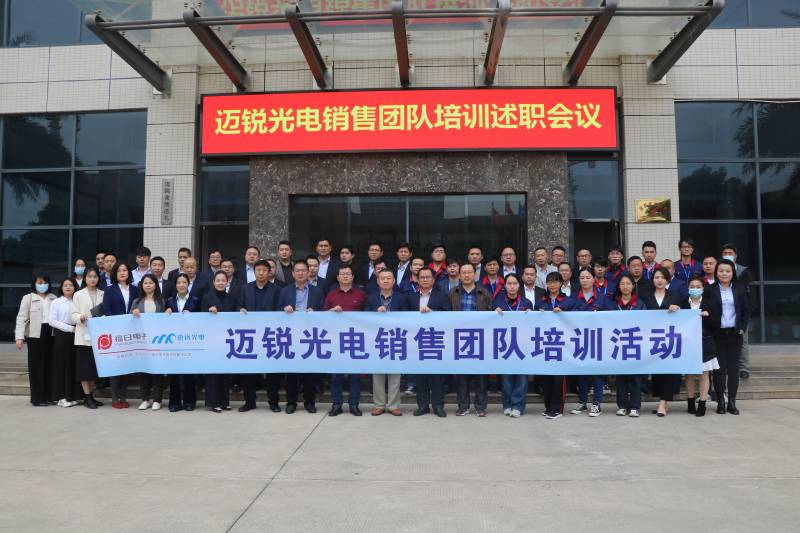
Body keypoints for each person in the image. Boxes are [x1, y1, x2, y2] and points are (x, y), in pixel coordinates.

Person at [278, 259, 325, 413]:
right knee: (291, 372)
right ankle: (291, 402)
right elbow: (276, 311)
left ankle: (309, 402)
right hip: (291, 335)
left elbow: (324, 312)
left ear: (308, 272)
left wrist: (315, 313)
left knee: (310, 371)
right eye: (297, 270)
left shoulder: (317, 292)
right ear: (293, 273)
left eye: (303, 270)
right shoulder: (285, 291)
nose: (300, 273)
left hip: (310, 335)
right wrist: (284, 309)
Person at [706, 259, 750, 415]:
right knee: (719, 370)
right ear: (716, 272)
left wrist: (742, 328)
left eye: (728, 271)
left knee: (733, 369)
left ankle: (732, 402)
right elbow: (706, 311)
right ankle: (720, 401)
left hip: (735, 334)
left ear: (733, 273)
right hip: (717, 334)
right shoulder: (709, 289)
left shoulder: (740, 288)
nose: (724, 274)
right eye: (721, 271)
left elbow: (746, 310)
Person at [449, 264, 492, 417]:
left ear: (475, 274)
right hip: (459, 338)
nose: (466, 275)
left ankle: (481, 407)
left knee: (481, 375)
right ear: (459, 275)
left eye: (469, 272)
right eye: (464, 272)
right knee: (462, 375)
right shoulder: (453, 293)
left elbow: (490, 314)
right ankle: (463, 406)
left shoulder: (484, 292)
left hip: (480, 338)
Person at [324, 264, 367, 416]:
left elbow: (368, 316)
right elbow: (322, 315)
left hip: (355, 340)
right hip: (335, 340)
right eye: (342, 274)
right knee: (336, 376)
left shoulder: (361, 294)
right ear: (338, 277)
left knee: (355, 376)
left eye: (348, 273)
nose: (345, 276)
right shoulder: (331, 294)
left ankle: (354, 404)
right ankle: (337, 404)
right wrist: (331, 311)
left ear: (353, 277)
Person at [409, 267, 452, 418]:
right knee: (421, 376)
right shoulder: (411, 297)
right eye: (422, 277)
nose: (425, 279)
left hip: (436, 340)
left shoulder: (442, 296)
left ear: (433, 279)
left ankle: (438, 405)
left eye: (428, 277)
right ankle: (422, 405)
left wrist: (434, 315)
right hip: (417, 341)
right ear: (418, 280)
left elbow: (449, 316)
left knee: (437, 377)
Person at [238, 260, 280, 412]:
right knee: (248, 370)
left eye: (264, 270)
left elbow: (280, 309)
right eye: (258, 270)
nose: (261, 273)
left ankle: (273, 402)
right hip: (250, 335)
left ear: (269, 272)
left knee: (272, 371)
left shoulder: (277, 290)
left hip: (270, 334)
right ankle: (249, 401)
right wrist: (240, 309)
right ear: (254, 272)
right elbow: (238, 305)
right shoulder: (245, 288)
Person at [366, 269, 409, 416]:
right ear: (378, 281)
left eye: (388, 278)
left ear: (394, 281)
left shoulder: (401, 298)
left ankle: (393, 405)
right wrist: (375, 314)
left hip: (396, 338)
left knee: (394, 374)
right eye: (382, 278)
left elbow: (407, 318)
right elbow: (363, 317)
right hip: (376, 339)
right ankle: (378, 404)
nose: (385, 280)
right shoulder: (371, 298)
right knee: (377, 374)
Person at [641, 267, 683, 417]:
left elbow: (684, 315)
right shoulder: (646, 296)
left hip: (669, 338)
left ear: (667, 280)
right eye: (656, 277)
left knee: (667, 371)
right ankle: (663, 401)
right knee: (657, 371)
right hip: (651, 338)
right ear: (652, 280)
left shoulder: (674, 296)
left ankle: (662, 404)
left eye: (662, 277)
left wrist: (677, 308)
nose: (659, 280)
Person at [535, 272, 576, 419]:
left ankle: (557, 409)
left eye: (555, 282)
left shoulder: (568, 301)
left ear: (561, 284)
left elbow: (575, 319)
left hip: (562, 345)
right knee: (546, 378)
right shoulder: (540, 302)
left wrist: (563, 313)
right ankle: (548, 407)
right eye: (549, 282)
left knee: (559, 378)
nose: (552, 285)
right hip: (546, 344)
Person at [605, 273, 646, 418]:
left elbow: (647, 322)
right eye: (622, 284)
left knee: (636, 377)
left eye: (628, 283)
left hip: (635, 343)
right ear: (618, 286)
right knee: (621, 377)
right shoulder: (612, 304)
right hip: (618, 344)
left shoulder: (640, 304)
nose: (625, 286)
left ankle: (634, 406)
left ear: (633, 286)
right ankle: (622, 406)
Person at [493, 273, 533, 418]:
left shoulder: (526, 303)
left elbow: (533, 324)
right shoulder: (498, 302)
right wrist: (494, 313)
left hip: (522, 344)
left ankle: (518, 405)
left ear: (519, 285)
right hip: (504, 344)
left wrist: (532, 314)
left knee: (521, 377)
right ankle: (507, 404)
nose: (512, 286)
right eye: (509, 283)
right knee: (506, 376)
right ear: (505, 286)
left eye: (514, 283)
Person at [202, 271, 243, 412]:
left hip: (227, 338)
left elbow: (236, 313)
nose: (220, 283)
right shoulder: (207, 297)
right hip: (212, 339)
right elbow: (200, 316)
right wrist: (208, 310)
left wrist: (241, 310)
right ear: (213, 282)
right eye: (218, 280)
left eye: (223, 280)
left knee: (225, 371)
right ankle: (213, 402)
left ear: (227, 282)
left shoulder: (231, 297)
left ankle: (225, 401)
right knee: (213, 372)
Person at [570, 267, 607, 417]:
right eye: (582, 278)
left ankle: (597, 403)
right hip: (580, 339)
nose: (585, 280)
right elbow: (565, 311)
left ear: (594, 279)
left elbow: (612, 316)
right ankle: (582, 401)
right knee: (582, 371)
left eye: (588, 277)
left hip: (598, 339)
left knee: (597, 372)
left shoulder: (602, 298)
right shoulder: (573, 297)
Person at [682, 274, 720, 417]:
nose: (695, 289)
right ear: (688, 288)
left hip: (705, 342)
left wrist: (708, 316)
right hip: (687, 343)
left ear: (703, 289)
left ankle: (702, 403)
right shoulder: (682, 303)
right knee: (689, 373)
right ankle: (690, 402)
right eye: (692, 287)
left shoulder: (710, 303)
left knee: (704, 373)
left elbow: (717, 324)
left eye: (698, 287)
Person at [103, 262, 139, 409]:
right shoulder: (109, 289)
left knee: (126, 366)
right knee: (116, 366)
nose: (122, 273)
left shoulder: (135, 289)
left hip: (130, 332)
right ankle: (114, 398)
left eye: (125, 270)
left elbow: (137, 307)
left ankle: (123, 397)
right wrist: (119, 324)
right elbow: (107, 310)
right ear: (114, 274)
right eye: (119, 271)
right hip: (116, 332)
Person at [164, 273, 200, 412]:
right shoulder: (169, 301)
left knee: (189, 373)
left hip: (190, 340)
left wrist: (192, 316)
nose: (181, 285)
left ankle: (190, 401)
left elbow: (201, 319)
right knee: (174, 373)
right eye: (179, 282)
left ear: (188, 284)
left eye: (184, 282)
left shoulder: (196, 300)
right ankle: (174, 402)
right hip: (173, 341)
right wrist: (166, 312)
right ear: (175, 285)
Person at [70, 267, 104, 409]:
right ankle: (87, 397)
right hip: (83, 336)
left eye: (95, 276)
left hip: (98, 338)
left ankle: (92, 396)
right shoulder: (78, 294)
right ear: (85, 278)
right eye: (89, 276)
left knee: (94, 369)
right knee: (84, 370)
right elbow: (72, 315)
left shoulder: (103, 293)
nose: (92, 279)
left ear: (98, 278)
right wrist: (80, 317)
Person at [131, 274, 166, 411]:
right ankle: (145, 399)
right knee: (143, 371)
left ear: (155, 285)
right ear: (142, 285)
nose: (148, 285)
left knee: (157, 371)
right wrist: (133, 314)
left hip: (157, 340)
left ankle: (157, 400)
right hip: (142, 341)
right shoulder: (136, 301)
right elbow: (129, 320)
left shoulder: (162, 301)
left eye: (150, 283)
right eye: (145, 283)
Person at [721, 243, 753, 380]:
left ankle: (743, 367)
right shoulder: (720, 270)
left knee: (743, 340)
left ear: (735, 256)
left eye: (730, 253)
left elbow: (750, 292)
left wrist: (748, 310)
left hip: (740, 312)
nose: (727, 255)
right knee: (726, 342)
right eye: (725, 253)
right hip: (724, 313)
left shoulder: (743, 271)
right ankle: (726, 367)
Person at [49, 278, 81, 408]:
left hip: (77, 334)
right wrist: (69, 328)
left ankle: (71, 396)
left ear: (75, 287)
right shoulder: (56, 302)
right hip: (62, 335)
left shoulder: (77, 300)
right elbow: (52, 321)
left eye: (71, 285)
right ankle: (61, 397)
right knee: (62, 365)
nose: (68, 287)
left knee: (72, 365)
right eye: (65, 285)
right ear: (61, 288)